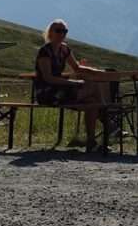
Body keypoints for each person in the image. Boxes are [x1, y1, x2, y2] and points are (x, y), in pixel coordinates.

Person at [34, 19, 111, 152]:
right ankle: (110, 124)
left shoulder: (65, 49)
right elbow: (48, 78)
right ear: (50, 32)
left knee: (92, 102)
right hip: (47, 92)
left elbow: (76, 68)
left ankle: (91, 141)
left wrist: (95, 71)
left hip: (61, 89)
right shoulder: (44, 51)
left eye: (64, 31)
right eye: (58, 31)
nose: (62, 34)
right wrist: (72, 83)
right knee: (93, 86)